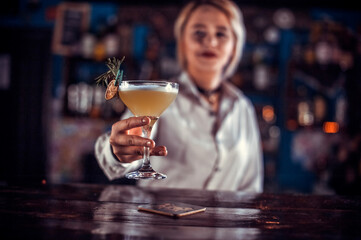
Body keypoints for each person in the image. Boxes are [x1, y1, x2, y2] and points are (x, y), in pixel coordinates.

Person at [95, 0, 264, 192]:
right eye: (199, 33)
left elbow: (252, 186)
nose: (210, 41)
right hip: (164, 220)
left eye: (221, 34)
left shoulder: (242, 107)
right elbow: (123, 145)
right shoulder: (161, 95)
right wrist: (116, 152)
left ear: (234, 46)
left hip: (227, 222)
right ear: (183, 42)